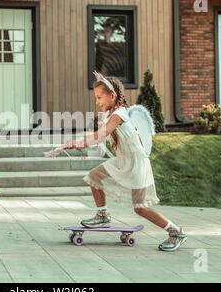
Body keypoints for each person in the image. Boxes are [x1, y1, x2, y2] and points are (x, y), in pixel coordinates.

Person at [63, 71, 187, 252]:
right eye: (96, 98)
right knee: (94, 177)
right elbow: (104, 137)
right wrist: (82, 145)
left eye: (99, 97)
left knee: (140, 208)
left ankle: (176, 232)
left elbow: (102, 134)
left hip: (136, 165)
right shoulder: (109, 115)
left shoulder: (120, 114)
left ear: (112, 96)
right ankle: (103, 214)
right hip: (122, 161)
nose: (97, 102)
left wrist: (80, 144)